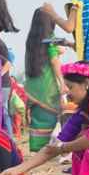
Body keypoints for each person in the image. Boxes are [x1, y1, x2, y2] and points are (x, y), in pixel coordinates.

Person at [22, 9, 65, 154]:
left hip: (33, 84)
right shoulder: (49, 37)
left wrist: (59, 49)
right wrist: (63, 83)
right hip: (47, 83)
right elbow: (54, 61)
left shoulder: (31, 40)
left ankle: (38, 148)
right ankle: (51, 148)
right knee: (51, 115)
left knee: (38, 115)